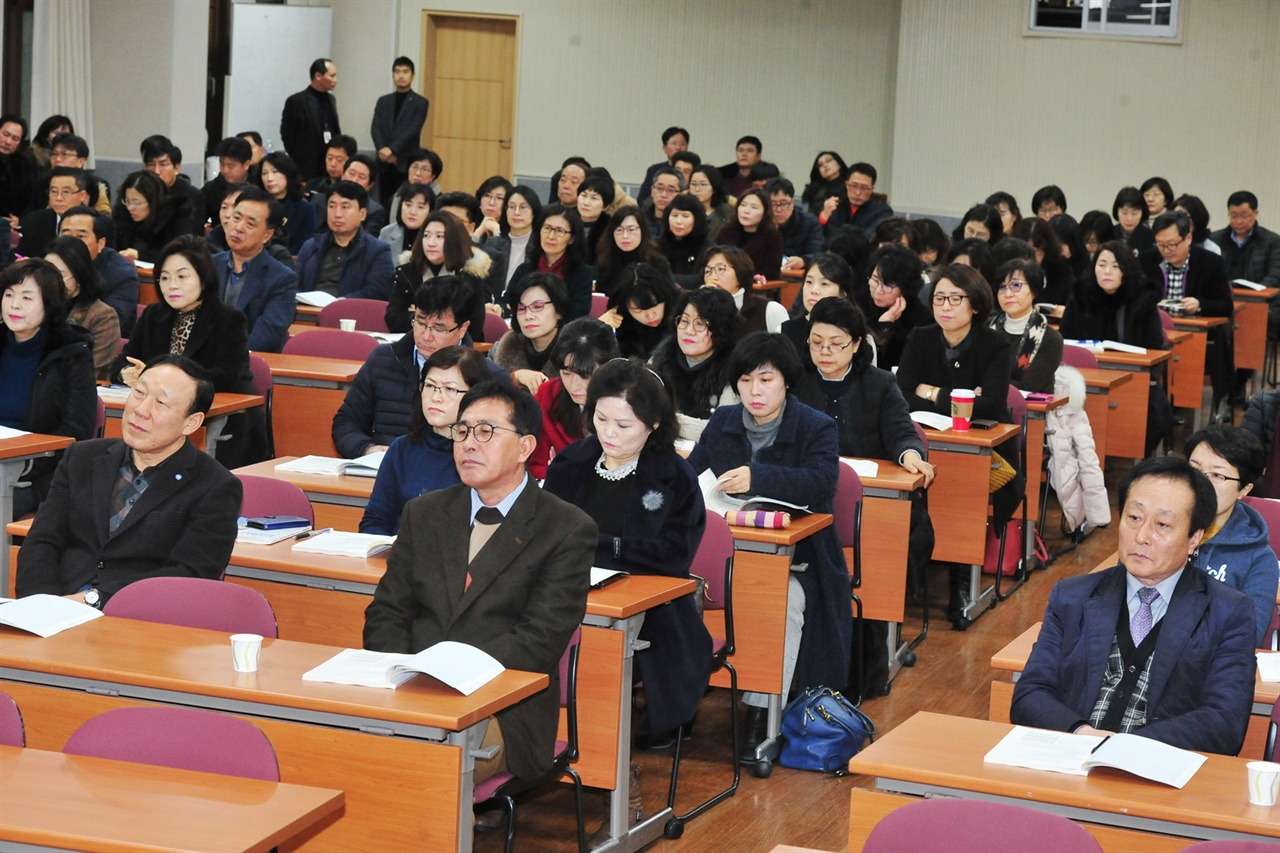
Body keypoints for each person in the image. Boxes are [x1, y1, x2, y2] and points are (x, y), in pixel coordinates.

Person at [363, 381, 598, 787]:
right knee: (340, 752)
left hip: (504, 707)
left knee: (429, 768)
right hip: (411, 691)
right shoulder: (425, 514)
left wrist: (446, 674)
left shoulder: (566, 528)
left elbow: (537, 641)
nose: (469, 443)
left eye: (486, 431)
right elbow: (386, 612)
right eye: (463, 430)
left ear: (525, 448)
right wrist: (408, 675)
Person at [1010, 456, 1255, 756]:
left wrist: (1127, 748)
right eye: (1134, 518)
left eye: (1162, 524)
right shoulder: (1073, 596)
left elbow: (1224, 721)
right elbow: (1030, 693)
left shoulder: (1228, 613)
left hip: (1159, 774)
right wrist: (1081, 733)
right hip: (1071, 760)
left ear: (1194, 538)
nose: (1141, 537)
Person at [689, 332, 851, 761]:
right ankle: (680, 705)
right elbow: (689, 478)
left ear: (787, 382)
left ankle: (762, 716)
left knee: (783, 606)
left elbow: (822, 482)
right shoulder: (722, 422)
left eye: (766, 380)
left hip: (798, 562)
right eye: (745, 381)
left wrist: (758, 477)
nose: (754, 392)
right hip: (723, 558)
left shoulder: (815, 426)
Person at [544, 357, 712, 746]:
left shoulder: (672, 475)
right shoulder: (572, 462)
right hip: (568, 591)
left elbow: (673, 556)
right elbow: (544, 532)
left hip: (653, 602)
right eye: (600, 419)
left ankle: (609, 742)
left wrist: (599, 546)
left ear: (652, 425)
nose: (608, 433)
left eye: (623, 425)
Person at [16, 353, 242, 606]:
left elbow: (188, 573)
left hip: (139, 616)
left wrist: (96, 600)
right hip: (56, 605)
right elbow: (42, 541)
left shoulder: (215, 486)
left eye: (161, 403)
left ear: (191, 423)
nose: (141, 410)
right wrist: (40, 604)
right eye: (139, 393)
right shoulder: (82, 457)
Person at [795, 296, 935, 694]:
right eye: (815, 341)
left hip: (869, 507)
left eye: (834, 343)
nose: (823, 351)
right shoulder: (796, 381)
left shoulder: (879, 384)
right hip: (807, 504)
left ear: (857, 344)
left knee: (877, 564)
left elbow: (901, 432)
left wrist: (910, 455)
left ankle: (863, 668)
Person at [111, 236, 267, 467]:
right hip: (158, 417)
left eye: (182, 276)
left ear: (203, 279)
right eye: (164, 277)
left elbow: (227, 375)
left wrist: (170, 383)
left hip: (224, 425)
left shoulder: (228, 319)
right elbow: (122, 360)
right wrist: (128, 373)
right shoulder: (154, 315)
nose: (172, 285)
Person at [333, 275, 504, 458]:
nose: (426, 336)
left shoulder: (489, 377)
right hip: (385, 469)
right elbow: (346, 422)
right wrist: (368, 449)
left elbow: (499, 443)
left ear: (463, 328)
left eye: (438, 329)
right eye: (420, 323)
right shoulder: (382, 360)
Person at [0, 258, 96, 517]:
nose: (15, 305)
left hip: (34, 474)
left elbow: (76, 431)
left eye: (27, 298)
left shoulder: (72, 353)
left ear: (50, 304)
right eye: (9, 294)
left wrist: (24, 462)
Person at [359, 345, 489, 535]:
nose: (436, 397)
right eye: (430, 386)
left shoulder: (484, 456)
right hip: (399, 558)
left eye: (449, 389)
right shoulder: (402, 449)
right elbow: (376, 519)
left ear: (475, 396)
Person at [1061, 240, 1170, 454]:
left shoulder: (1143, 299)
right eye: (1101, 265)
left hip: (1131, 379)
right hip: (1086, 380)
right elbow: (1066, 341)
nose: (1107, 271)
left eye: (1115, 266)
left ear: (1126, 269)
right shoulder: (1080, 297)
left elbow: (1154, 349)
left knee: (1152, 415)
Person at [1184, 425, 1279, 645]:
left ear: (1244, 490)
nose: (1200, 483)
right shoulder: (1156, 531)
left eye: (1217, 475)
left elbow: (1245, 639)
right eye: (1194, 469)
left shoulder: (1259, 560)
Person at [1139, 210, 1234, 415]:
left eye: (1172, 244)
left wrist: (1199, 304)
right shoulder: (1147, 260)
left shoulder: (1210, 262)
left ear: (1188, 238)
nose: (1166, 250)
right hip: (1156, 332)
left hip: (1198, 335)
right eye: (1160, 244)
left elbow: (1225, 305)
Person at [527, 317, 619, 479]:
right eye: (566, 373)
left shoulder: (629, 400)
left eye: (585, 376)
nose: (574, 386)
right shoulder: (549, 394)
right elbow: (534, 463)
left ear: (609, 367)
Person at [649, 286, 742, 441]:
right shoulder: (662, 356)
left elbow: (720, 429)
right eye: (684, 320)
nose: (689, 330)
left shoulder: (733, 366)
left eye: (700, 323)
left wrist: (661, 419)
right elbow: (636, 407)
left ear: (721, 329)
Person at [213, 187, 298, 353]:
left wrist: (227, 356)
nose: (238, 227)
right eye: (236, 218)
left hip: (250, 364)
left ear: (267, 235)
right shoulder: (207, 265)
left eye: (250, 224)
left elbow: (269, 332)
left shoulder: (282, 278)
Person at [386, 210, 491, 338]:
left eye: (439, 236)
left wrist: (419, 315)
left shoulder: (470, 275)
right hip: (414, 345)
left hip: (457, 352)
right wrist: (446, 320)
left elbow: (473, 327)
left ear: (455, 240)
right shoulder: (407, 272)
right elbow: (393, 320)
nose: (431, 243)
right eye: (426, 235)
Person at [295, 181, 394, 300]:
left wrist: (341, 304)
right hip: (308, 312)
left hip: (351, 314)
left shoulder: (378, 250)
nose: (337, 214)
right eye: (332, 206)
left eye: (345, 207)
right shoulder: (311, 246)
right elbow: (293, 284)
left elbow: (377, 291)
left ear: (362, 214)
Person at [44, 236, 120, 382]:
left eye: (59, 275)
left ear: (79, 276)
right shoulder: (36, 309)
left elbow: (90, 372)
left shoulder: (103, 316)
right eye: (46, 274)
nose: (50, 282)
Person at [58, 205, 140, 336]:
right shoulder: (50, 263)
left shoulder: (122, 274)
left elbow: (107, 324)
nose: (71, 242)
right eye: (65, 235)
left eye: (80, 236)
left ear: (101, 243)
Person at [507, 204, 594, 319]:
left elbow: (578, 314)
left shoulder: (582, 274)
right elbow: (507, 302)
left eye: (559, 231)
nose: (551, 236)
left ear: (572, 239)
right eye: (547, 228)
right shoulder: (525, 269)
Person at [990, 258, 1064, 393]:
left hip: (1030, 410)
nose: (1008, 294)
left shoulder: (1050, 339)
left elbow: (1028, 387)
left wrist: (985, 383)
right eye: (1002, 287)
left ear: (1034, 291)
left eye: (1016, 285)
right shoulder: (987, 328)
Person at [491, 273, 572, 394]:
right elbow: (486, 386)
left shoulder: (574, 351)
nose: (528, 316)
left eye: (538, 306)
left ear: (559, 311)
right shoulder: (504, 347)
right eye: (522, 309)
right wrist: (514, 377)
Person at [1212, 191, 1280, 335]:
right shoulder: (1215, 240)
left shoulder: (1272, 241)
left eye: (1244, 216)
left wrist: (1256, 292)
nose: (1238, 221)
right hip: (1225, 298)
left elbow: (1276, 274)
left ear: (1256, 213)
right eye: (1234, 216)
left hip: (1260, 301)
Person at [857, 243, 931, 371]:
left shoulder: (921, 320)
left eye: (888, 285)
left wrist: (888, 326)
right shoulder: (857, 303)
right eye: (875, 280)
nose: (878, 291)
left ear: (905, 287)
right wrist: (883, 325)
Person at [370, 56, 430, 209]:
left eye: (405, 72)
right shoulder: (384, 101)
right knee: (383, 203)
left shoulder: (420, 103)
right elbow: (375, 127)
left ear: (412, 75)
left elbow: (413, 129)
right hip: (383, 162)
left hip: (405, 161)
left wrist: (392, 150)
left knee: (405, 201)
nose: (401, 76)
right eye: (397, 72)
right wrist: (382, 150)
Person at [780, 252, 855, 363]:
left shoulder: (857, 334)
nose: (814, 290)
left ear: (843, 293)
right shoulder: (785, 331)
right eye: (809, 282)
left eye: (824, 284)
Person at [280, 58, 341, 182]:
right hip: (306, 166)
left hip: (328, 164)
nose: (335, 81)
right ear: (318, 76)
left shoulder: (331, 99)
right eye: (332, 76)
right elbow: (287, 134)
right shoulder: (297, 101)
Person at [702, 245, 787, 334]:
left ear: (740, 274)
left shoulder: (770, 310)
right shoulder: (699, 311)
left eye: (720, 269)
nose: (713, 277)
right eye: (708, 271)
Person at [604, 262, 680, 360]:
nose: (651, 316)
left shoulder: (682, 313)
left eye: (655, 305)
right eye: (638, 310)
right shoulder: (620, 326)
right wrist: (600, 328)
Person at [594, 205, 672, 300]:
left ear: (642, 231)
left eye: (631, 230)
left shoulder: (657, 262)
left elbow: (671, 298)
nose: (625, 236)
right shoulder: (606, 262)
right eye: (619, 230)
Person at [112, 171, 191, 263]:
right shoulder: (122, 214)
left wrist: (140, 254)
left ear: (153, 201)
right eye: (127, 201)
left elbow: (178, 254)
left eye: (136, 203)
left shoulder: (175, 215)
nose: (130, 208)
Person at [16, 165, 91, 257]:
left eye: (66, 192)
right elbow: (19, 254)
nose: (59, 198)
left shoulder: (97, 222)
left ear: (82, 195)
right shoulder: (32, 221)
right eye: (54, 191)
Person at [716, 187, 783, 280]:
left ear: (765, 213)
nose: (746, 211)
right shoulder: (726, 232)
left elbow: (772, 272)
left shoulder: (773, 238)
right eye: (743, 205)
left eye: (754, 207)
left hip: (754, 290)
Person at [139, 136, 204, 233]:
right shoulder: (138, 191)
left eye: (163, 164)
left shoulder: (192, 197)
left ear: (176, 168)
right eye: (151, 164)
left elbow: (187, 239)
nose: (156, 171)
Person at [487, 185, 541, 296]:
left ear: (534, 212)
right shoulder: (493, 244)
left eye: (523, 207)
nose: (516, 212)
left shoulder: (540, 245)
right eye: (511, 207)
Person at [260, 152, 317, 254]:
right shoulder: (256, 206)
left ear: (288, 174)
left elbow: (304, 248)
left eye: (275, 172)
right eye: (264, 173)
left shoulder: (305, 209)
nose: (269, 178)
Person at [821, 162, 892, 239]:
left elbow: (869, 239)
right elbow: (820, 235)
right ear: (847, 185)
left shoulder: (883, 211)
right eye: (854, 186)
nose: (858, 192)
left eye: (864, 188)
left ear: (872, 189)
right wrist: (824, 216)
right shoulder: (834, 205)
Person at [46, 133, 111, 214]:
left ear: (81, 161)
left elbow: (103, 218)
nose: (57, 159)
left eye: (65, 154)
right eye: (54, 154)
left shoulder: (97, 185)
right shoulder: (41, 184)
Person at [659, 194, 713, 290]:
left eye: (685, 216)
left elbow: (704, 279)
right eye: (674, 215)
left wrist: (665, 278)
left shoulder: (707, 248)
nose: (678, 221)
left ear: (696, 220)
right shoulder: (657, 244)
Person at [767, 178, 823, 268]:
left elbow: (817, 254)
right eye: (772, 204)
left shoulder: (809, 222)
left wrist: (803, 261)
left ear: (792, 203)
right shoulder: (759, 222)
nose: (778, 209)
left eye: (783, 203)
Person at [199, 136, 253, 224]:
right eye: (222, 164)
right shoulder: (211, 189)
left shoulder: (259, 186)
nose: (225, 170)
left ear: (246, 164)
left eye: (231, 166)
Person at [335, 154, 389, 236]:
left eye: (361, 177)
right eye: (351, 173)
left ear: (370, 185)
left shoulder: (374, 211)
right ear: (342, 174)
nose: (354, 180)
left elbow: (367, 240)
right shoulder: (321, 200)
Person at [378, 181, 434, 257]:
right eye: (408, 205)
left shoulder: (435, 238)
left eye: (420, 207)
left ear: (430, 211)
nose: (413, 212)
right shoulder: (386, 233)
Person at [637, 126, 690, 202]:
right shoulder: (654, 170)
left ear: (687, 148)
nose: (678, 147)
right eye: (674, 143)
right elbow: (642, 199)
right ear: (664, 148)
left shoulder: (694, 171)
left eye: (682, 144)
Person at [0, 114, 34, 225]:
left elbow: (28, 199)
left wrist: (19, 219)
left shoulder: (23, 164)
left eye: (15, 138)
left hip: (11, 223)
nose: (8, 142)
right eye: (5, 134)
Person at [574, 175, 613, 265]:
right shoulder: (567, 222)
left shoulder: (610, 229)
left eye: (594, 198)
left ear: (605, 206)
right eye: (584, 195)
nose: (586, 203)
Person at [305, 134, 356, 200]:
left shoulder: (355, 189)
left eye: (339, 160)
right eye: (330, 158)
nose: (333, 164)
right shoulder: (313, 185)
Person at [688, 164, 733, 238]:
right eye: (693, 184)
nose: (697, 189)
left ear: (714, 188)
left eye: (703, 184)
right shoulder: (682, 209)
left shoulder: (726, 212)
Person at [801, 150, 848, 218]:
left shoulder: (851, 187)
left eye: (828, 161)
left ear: (839, 164)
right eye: (820, 165)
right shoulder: (815, 192)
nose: (825, 165)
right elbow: (812, 220)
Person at [474, 176, 513, 243]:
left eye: (499, 198)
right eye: (487, 196)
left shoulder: (513, 230)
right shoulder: (471, 222)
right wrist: (477, 233)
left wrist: (496, 232)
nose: (491, 203)